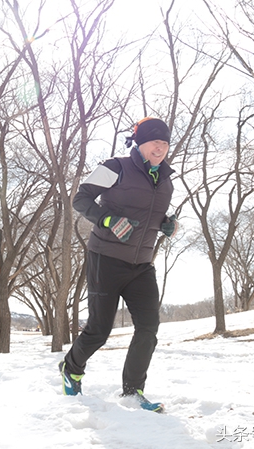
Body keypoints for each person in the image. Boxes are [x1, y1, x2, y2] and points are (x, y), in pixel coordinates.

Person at [59, 117, 177, 413]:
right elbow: (81, 199)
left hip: (141, 264)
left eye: (164, 143)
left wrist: (165, 224)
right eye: (154, 142)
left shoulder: (165, 180)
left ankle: (133, 391)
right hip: (106, 258)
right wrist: (107, 220)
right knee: (99, 329)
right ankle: (71, 368)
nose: (160, 148)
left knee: (149, 327)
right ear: (141, 143)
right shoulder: (116, 167)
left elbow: (151, 214)